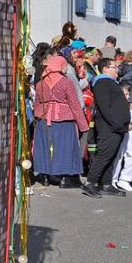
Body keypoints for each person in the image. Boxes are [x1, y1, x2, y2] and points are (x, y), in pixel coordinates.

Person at [32, 55, 88, 188]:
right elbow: (74, 104)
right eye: (64, 65)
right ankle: (63, 178)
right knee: (64, 148)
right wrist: (83, 125)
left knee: (45, 147)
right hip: (64, 119)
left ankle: (45, 177)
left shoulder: (40, 82)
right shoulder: (66, 82)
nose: (65, 68)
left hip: (44, 119)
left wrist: (38, 118)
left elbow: (38, 103)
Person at [84, 58, 130, 198]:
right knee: (105, 154)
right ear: (105, 69)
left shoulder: (111, 83)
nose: (117, 70)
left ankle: (106, 183)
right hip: (109, 126)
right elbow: (104, 106)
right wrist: (115, 123)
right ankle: (90, 183)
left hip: (117, 126)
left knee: (112, 155)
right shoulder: (102, 82)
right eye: (114, 67)